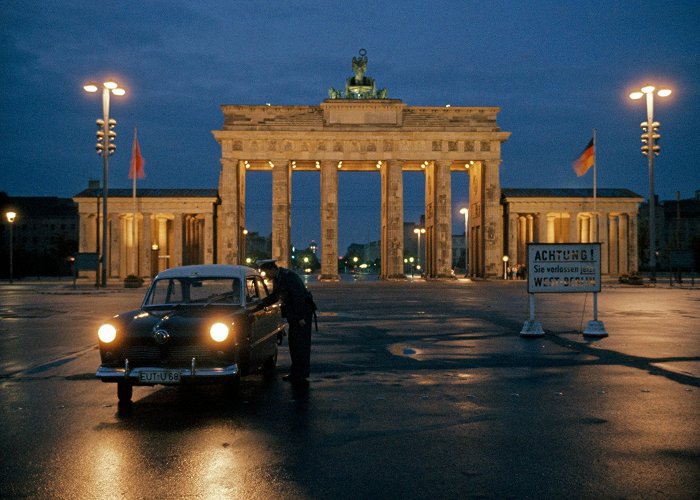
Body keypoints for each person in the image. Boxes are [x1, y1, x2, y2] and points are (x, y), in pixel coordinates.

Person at [257, 259, 316, 383]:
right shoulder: (279, 277)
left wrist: (300, 318)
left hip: (302, 313)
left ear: (272, 269)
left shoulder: (289, 277)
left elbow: (298, 296)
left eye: (265, 272)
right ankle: (296, 372)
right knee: (294, 343)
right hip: (295, 314)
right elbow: (276, 296)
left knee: (301, 344)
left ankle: (301, 374)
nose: (265, 276)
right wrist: (260, 304)